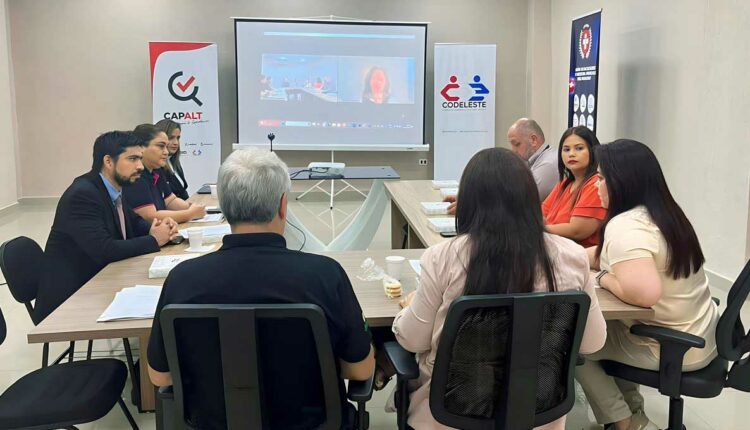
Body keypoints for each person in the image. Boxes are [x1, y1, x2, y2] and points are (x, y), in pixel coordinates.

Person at [147, 148, 375, 430]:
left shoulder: (182, 279)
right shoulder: (325, 275)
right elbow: (360, 368)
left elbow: (160, 376)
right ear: (283, 205)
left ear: (225, 207)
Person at [392, 147, 606, 430]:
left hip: (449, 417)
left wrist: (407, 311)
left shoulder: (443, 256)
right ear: (530, 199)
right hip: (539, 416)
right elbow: (592, 343)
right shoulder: (572, 256)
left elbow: (412, 341)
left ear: (468, 201)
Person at [577, 140, 719, 430]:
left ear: (623, 181)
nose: (596, 187)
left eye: (602, 179)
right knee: (608, 328)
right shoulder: (666, 214)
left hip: (672, 346)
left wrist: (604, 277)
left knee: (575, 342)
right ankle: (634, 414)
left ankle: (623, 421)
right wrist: (573, 257)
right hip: (701, 334)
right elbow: (606, 255)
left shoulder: (627, 225)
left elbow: (644, 294)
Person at [34, 131, 178, 322]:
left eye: (140, 159)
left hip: (97, 279)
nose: (140, 166)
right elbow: (105, 249)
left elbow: (134, 223)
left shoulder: (114, 187)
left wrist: (159, 228)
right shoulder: (83, 194)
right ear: (108, 162)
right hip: (71, 297)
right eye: (133, 159)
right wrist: (154, 239)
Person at [444, 118, 558, 214]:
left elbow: (519, 201)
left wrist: (472, 206)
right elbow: (506, 191)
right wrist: (471, 197)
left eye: (516, 144)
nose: (513, 150)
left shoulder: (547, 164)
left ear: (533, 140)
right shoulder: (533, 160)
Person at [123, 124, 205, 224]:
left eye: (166, 147)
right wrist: (190, 214)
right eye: (161, 146)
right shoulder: (135, 176)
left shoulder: (157, 170)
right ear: (141, 148)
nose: (166, 152)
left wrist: (191, 207)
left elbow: (170, 201)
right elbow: (150, 217)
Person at [542, 126, 606, 247]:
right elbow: (539, 213)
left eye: (579, 148)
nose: (571, 154)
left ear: (593, 151)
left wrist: (540, 229)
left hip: (581, 258)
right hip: (555, 250)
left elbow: (577, 230)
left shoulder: (596, 183)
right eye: (566, 150)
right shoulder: (564, 184)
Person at [154, 119, 189, 200]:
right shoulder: (157, 167)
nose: (176, 142)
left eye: (178, 138)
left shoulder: (174, 162)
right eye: (171, 138)